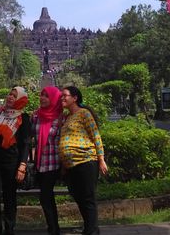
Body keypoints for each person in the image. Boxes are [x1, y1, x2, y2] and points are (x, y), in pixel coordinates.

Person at [59, 86, 107, 235]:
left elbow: (95, 135)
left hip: (86, 161)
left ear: (75, 98)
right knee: (79, 197)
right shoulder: (67, 117)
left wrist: (101, 159)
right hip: (71, 166)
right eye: (61, 96)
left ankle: (90, 231)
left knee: (88, 198)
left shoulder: (84, 113)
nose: (62, 98)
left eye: (65, 95)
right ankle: (91, 229)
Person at [0, 87, 30, 235]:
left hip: (13, 164)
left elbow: (25, 144)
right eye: (10, 94)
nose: (10, 97)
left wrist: (22, 166)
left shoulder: (23, 118)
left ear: (20, 99)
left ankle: (9, 229)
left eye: (14, 95)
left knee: (9, 198)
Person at [31, 86, 64, 235]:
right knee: (47, 197)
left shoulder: (61, 118)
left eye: (46, 96)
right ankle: (54, 228)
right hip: (40, 163)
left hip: (53, 163)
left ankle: (53, 229)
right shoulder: (36, 116)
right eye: (41, 95)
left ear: (54, 99)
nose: (42, 98)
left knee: (45, 196)